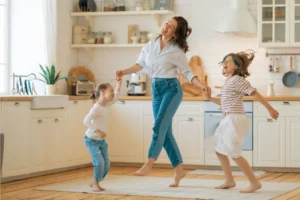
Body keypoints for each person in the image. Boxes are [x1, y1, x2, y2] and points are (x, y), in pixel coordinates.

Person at [115, 16, 205, 187]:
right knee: (165, 132)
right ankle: (179, 169)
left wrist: (201, 85)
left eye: (171, 26)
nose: (166, 27)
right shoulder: (151, 45)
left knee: (158, 126)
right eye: (166, 23)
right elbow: (139, 65)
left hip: (171, 89)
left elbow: (187, 73)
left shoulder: (177, 51)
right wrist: (123, 71)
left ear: (176, 33)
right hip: (156, 89)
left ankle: (150, 162)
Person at [205, 50, 279, 193]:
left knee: (234, 152)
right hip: (228, 118)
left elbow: (254, 93)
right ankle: (229, 180)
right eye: (224, 61)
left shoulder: (238, 80)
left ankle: (254, 182)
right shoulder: (229, 82)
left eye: (229, 61)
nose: (225, 63)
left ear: (237, 67)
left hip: (234, 119)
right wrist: (210, 98)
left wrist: (270, 109)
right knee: (218, 149)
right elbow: (224, 104)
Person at [83, 79, 122, 192]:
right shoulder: (96, 108)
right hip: (91, 140)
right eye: (111, 91)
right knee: (99, 162)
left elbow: (116, 97)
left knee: (107, 164)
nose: (113, 94)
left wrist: (119, 83)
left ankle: (95, 181)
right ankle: (95, 182)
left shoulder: (106, 105)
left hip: (101, 141)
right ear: (102, 92)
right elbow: (85, 121)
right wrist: (97, 130)